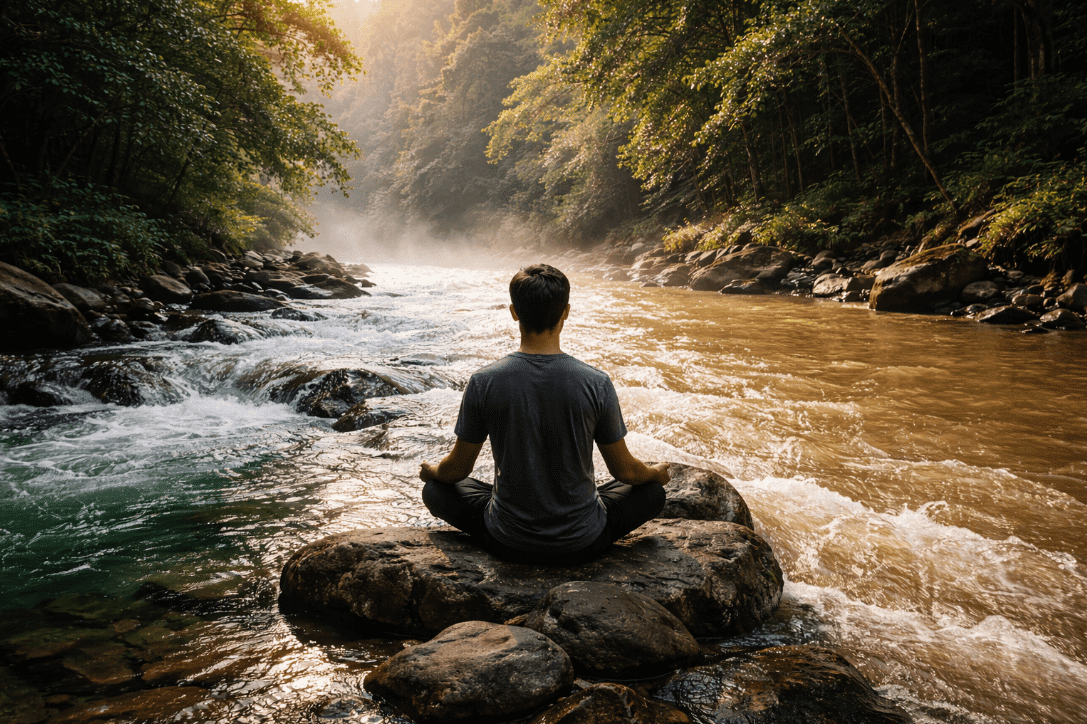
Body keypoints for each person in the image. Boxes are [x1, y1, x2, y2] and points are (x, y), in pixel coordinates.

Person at [419, 263, 670, 565]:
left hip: (507, 540)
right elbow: (626, 473)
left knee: (435, 490)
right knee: (652, 493)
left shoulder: (484, 381)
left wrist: (432, 471)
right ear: (566, 312)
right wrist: (655, 473)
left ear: (514, 312)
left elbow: (456, 471)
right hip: (583, 542)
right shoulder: (596, 382)